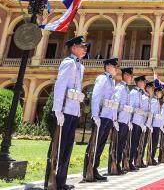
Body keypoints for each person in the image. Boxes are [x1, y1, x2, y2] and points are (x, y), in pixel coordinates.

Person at [47, 36, 87, 190]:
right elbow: (60, 86)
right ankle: (51, 181)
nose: (84, 49)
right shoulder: (68, 63)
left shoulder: (80, 66)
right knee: (58, 147)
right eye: (82, 46)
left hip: (73, 110)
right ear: (73, 48)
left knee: (68, 146)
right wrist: (58, 110)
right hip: (64, 110)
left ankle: (61, 180)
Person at [83, 57, 118, 182]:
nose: (116, 69)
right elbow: (96, 96)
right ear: (108, 67)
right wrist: (95, 115)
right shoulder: (102, 78)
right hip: (101, 116)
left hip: (108, 116)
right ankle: (88, 170)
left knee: (101, 143)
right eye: (115, 67)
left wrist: (114, 118)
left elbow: (113, 101)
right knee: (94, 144)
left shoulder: (112, 82)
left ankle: (94, 168)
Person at [112, 66, 133, 174]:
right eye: (130, 76)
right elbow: (116, 103)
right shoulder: (120, 88)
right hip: (119, 120)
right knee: (117, 145)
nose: (131, 78)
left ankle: (118, 165)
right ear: (125, 75)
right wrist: (114, 119)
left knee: (122, 144)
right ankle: (113, 166)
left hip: (125, 120)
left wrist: (129, 120)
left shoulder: (126, 89)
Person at [128, 75, 146, 170]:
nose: (144, 84)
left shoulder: (139, 93)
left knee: (135, 143)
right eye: (143, 82)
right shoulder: (134, 93)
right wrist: (129, 121)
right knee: (132, 143)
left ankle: (131, 161)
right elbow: (130, 107)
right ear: (138, 82)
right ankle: (128, 162)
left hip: (138, 121)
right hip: (134, 121)